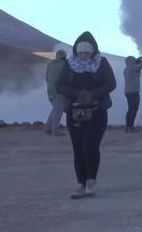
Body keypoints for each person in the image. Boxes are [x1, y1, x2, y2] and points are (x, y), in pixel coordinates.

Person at [55, 32, 116, 199]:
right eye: (80, 53)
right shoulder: (69, 64)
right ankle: (80, 184)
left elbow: (111, 83)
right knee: (78, 149)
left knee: (89, 146)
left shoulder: (101, 63)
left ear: (93, 52)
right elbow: (59, 84)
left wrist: (92, 95)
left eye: (86, 53)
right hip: (75, 113)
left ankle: (91, 181)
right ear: (76, 51)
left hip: (97, 112)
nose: (83, 56)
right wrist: (77, 94)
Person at [44, 49, 68, 136]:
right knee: (58, 110)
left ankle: (48, 128)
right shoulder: (64, 65)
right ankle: (55, 130)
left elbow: (46, 77)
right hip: (59, 91)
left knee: (55, 109)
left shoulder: (50, 64)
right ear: (64, 57)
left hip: (50, 90)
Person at [123, 55, 142, 133]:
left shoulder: (126, 69)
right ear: (131, 61)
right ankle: (130, 127)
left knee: (130, 109)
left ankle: (128, 127)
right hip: (133, 92)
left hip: (128, 92)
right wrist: (140, 58)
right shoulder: (132, 68)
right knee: (133, 109)